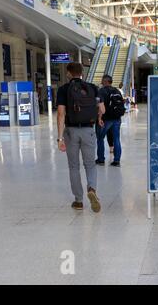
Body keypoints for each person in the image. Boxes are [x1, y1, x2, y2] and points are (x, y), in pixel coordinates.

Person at [56, 62, 104, 212]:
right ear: (82, 72)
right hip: (88, 130)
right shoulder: (93, 88)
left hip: (71, 131)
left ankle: (78, 201)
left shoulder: (64, 89)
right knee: (90, 164)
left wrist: (60, 138)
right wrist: (99, 117)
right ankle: (92, 189)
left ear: (69, 73)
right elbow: (102, 108)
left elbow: (60, 114)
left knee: (74, 166)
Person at [96, 75, 125, 167]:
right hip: (117, 118)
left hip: (106, 119)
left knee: (100, 138)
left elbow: (100, 106)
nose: (101, 81)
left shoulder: (101, 91)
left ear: (105, 81)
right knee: (116, 139)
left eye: (102, 80)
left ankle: (101, 159)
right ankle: (116, 160)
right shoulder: (117, 91)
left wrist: (99, 118)